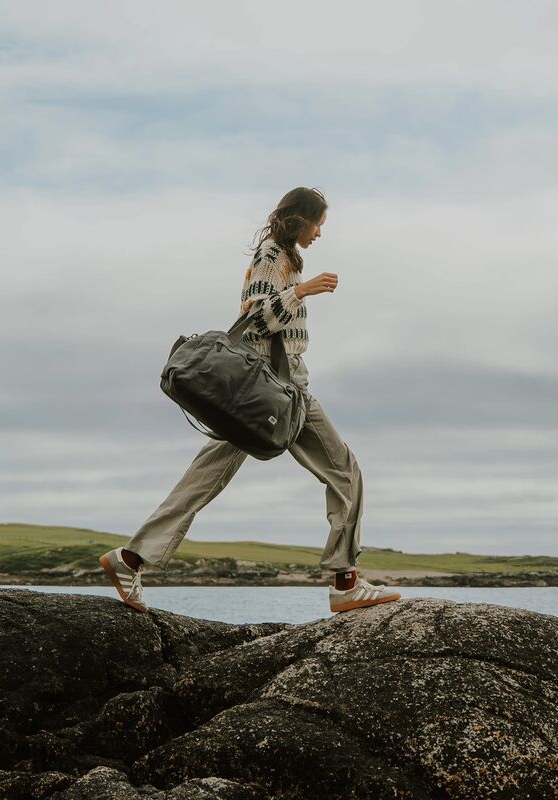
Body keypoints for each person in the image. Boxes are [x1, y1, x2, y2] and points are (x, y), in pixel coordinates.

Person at [100, 187, 400, 615]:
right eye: (318, 224)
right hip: (272, 391)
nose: (319, 233)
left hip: (274, 389)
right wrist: (304, 291)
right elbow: (255, 315)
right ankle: (345, 582)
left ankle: (131, 559)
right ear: (300, 219)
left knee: (208, 478)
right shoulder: (272, 256)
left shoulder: (286, 258)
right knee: (344, 471)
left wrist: (300, 288)